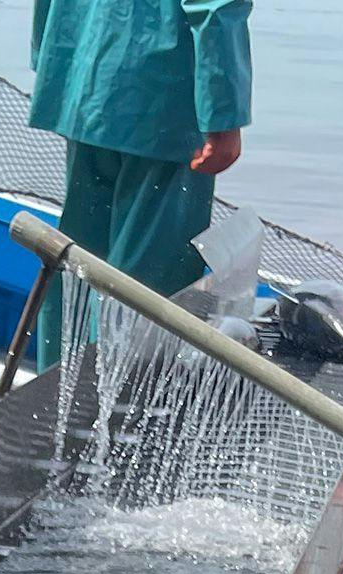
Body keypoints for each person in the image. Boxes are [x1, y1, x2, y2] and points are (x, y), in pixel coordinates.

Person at [26, 0, 252, 368]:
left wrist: (55, 62)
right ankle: (119, 395)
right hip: (161, 99)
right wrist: (224, 114)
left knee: (79, 264)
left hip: (84, 78)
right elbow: (214, 6)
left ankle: (56, 387)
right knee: (147, 286)